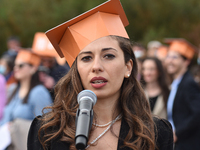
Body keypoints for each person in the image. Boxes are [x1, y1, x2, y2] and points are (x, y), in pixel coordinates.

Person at [28, 0, 173, 150]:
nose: (96, 67)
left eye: (108, 56)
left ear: (128, 67)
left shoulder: (156, 133)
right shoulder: (47, 131)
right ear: (77, 69)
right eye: (86, 58)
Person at [0, 50, 52, 150]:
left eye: (21, 66)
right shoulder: (13, 89)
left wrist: (16, 126)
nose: (16, 69)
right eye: (15, 65)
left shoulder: (39, 92)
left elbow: (46, 127)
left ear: (33, 68)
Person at [164, 38, 200, 150]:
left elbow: (197, 113)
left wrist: (178, 133)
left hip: (187, 143)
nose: (169, 60)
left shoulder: (189, 83)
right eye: (168, 56)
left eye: (174, 57)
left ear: (186, 61)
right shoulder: (176, 83)